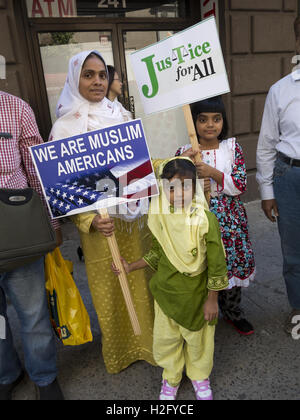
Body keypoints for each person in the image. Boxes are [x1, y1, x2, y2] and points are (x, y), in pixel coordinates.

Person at [49, 50, 158, 374]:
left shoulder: (121, 116)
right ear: (74, 78)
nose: (97, 81)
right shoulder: (64, 128)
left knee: (142, 280)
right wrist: (90, 219)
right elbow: (59, 186)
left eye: (101, 74)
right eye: (88, 74)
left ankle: (152, 345)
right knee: (110, 289)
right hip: (100, 229)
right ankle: (121, 351)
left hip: (134, 221)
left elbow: (139, 164)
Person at [112, 157, 229, 400]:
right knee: (167, 340)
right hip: (166, 293)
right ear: (164, 188)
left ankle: (199, 376)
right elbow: (157, 254)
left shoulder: (206, 219)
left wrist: (212, 299)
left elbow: (217, 265)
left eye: (186, 186)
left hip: (197, 296)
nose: (179, 193)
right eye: (172, 187)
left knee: (199, 342)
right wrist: (130, 266)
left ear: (195, 186)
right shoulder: (160, 216)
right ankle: (171, 377)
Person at [0, 91, 64, 400]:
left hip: (19, 234)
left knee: (33, 313)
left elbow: (37, 171)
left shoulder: (16, 107)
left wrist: (51, 226)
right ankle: (6, 373)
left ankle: (44, 376)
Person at [176, 97, 256, 336]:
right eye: (203, 119)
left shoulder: (231, 148)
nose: (210, 125)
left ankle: (232, 310)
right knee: (202, 264)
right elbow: (176, 192)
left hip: (228, 218)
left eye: (216, 119)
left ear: (223, 121)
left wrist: (213, 173)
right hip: (196, 217)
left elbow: (240, 185)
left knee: (229, 262)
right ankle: (201, 311)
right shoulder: (185, 152)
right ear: (194, 123)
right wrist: (191, 176)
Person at [256, 16, 300, 334]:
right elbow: (267, 144)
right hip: (290, 177)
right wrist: (267, 190)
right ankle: (299, 308)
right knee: (294, 250)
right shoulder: (280, 90)